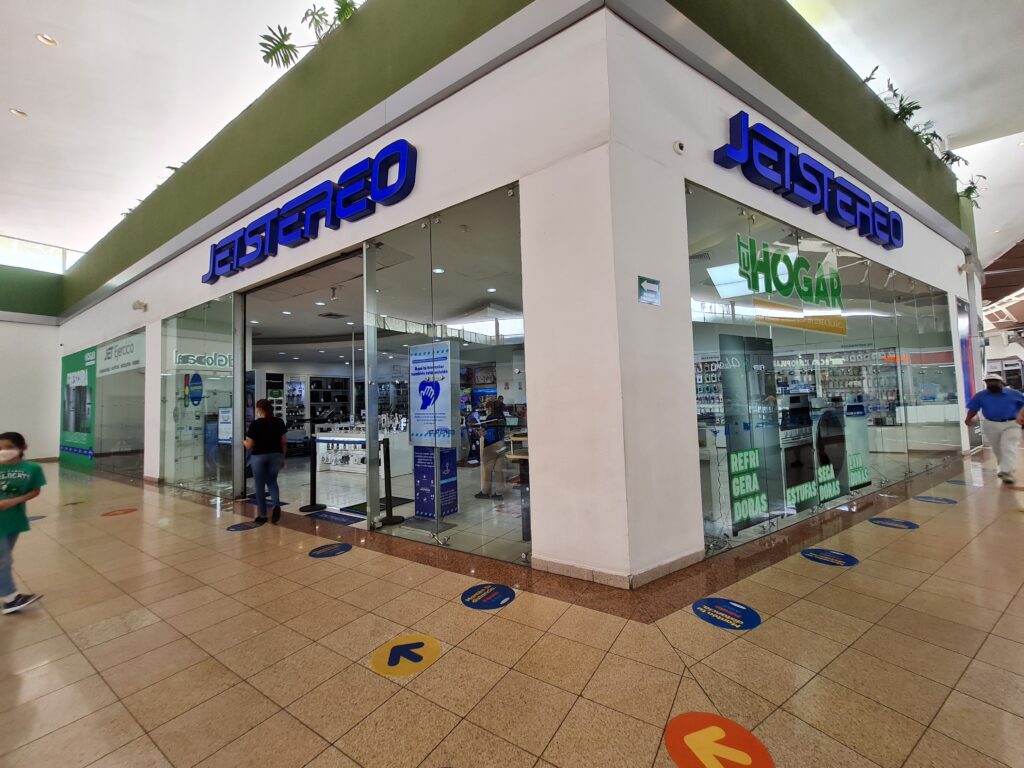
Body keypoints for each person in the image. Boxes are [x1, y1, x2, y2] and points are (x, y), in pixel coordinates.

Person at [0, 432, 44, 614]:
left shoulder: (32, 468)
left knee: (4, 558)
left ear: (23, 448)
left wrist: (13, 501)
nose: (4, 451)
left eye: (9, 447)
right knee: (3, 560)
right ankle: (11, 599)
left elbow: (35, 491)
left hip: (14, 520)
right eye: (0, 448)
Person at [965, 373, 1024, 484]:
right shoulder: (981, 395)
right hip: (991, 424)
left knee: (1008, 446)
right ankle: (1005, 468)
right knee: (997, 449)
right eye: (989, 382)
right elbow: (973, 408)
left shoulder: (1014, 394)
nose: (991, 383)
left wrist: (1021, 415)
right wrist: (968, 419)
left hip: (1012, 424)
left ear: (1001, 383)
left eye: (994, 381)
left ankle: (1006, 471)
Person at [244, 399, 287, 523]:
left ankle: (263, 515)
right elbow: (284, 442)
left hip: (259, 456)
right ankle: (276, 505)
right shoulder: (279, 422)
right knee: (272, 482)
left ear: (259, 410)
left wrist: (243, 442)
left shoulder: (255, 424)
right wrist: (282, 458)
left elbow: (249, 444)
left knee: (259, 485)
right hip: (276, 455)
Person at [475, 400, 507, 500]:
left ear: (491, 408)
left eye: (488, 408)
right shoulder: (502, 417)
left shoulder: (490, 417)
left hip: (491, 446)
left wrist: (478, 431)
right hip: (501, 445)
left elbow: (484, 432)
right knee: (498, 470)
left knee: (488, 470)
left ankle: (485, 492)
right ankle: (499, 493)